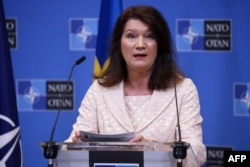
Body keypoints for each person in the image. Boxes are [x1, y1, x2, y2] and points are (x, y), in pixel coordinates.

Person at [66, 5, 206, 166]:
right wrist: (77, 146)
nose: (140, 44)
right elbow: (71, 143)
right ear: (119, 43)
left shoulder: (182, 90)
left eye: (149, 36)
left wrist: (154, 149)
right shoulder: (99, 91)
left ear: (160, 44)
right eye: (131, 36)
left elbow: (197, 153)